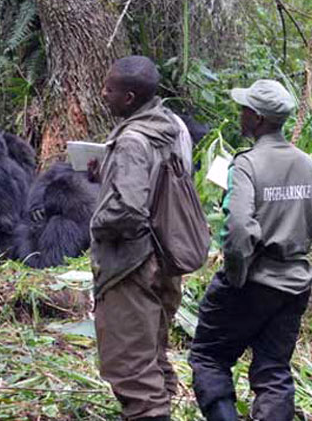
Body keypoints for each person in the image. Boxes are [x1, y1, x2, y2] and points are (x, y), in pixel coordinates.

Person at [189, 80, 312, 421]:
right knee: (273, 370)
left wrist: (236, 277)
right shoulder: (307, 163)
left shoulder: (247, 164)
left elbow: (237, 229)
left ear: (259, 119)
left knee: (208, 357)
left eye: (245, 109)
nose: (240, 114)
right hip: (295, 284)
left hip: (252, 281)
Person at [89, 55, 195, 421]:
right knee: (151, 355)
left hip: (132, 267)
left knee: (130, 367)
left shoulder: (133, 141)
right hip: (166, 256)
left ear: (130, 98)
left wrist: (97, 222)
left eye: (109, 89)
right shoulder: (171, 128)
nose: (103, 94)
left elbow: (128, 210)